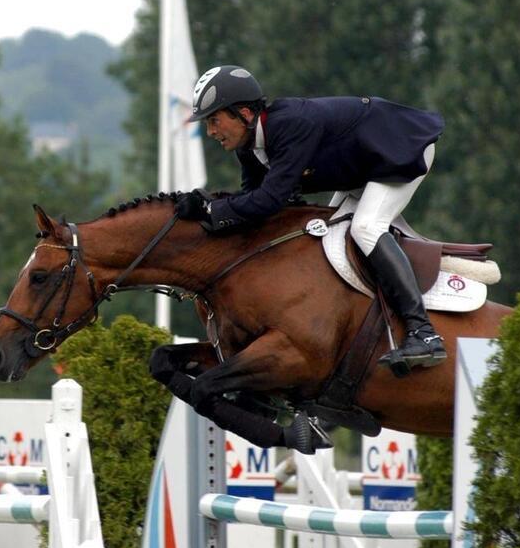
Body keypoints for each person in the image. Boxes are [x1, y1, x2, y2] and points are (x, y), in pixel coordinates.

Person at [174, 65, 446, 368]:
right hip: (361, 171)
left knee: (366, 228)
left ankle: (424, 333)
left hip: (399, 149)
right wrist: (205, 206)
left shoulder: (289, 125)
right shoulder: (249, 149)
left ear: (244, 114)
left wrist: (212, 210)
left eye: (214, 120)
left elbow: (270, 200)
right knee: (328, 240)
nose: (210, 131)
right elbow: (250, 203)